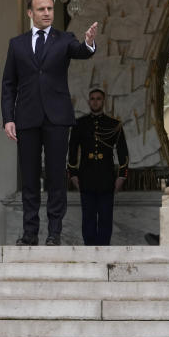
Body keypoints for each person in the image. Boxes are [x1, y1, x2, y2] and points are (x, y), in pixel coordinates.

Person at [1, 0, 98, 246]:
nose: (46, 13)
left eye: (50, 9)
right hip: (26, 118)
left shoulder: (64, 39)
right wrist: (7, 118)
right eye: (41, 9)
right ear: (30, 13)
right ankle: (30, 233)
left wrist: (88, 43)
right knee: (30, 178)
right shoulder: (17, 44)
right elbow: (9, 84)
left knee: (56, 177)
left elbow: (81, 51)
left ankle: (54, 233)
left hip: (57, 117)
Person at [68, 88, 129, 246]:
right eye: (92, 99)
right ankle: (89, 250)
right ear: (89, 102)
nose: (95, 101)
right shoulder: (79, 124)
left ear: (104, 101)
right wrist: (73, 173)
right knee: (87, 217)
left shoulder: (114, 125)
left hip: (106, 177)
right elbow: (72, 150)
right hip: (86, 177)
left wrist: (122, 175)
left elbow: (123, 152)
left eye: (98, 99)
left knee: (105, 217)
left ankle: (103, 251)